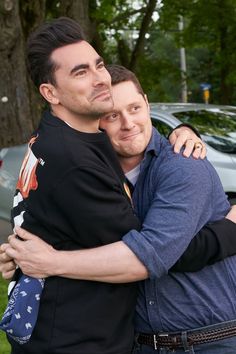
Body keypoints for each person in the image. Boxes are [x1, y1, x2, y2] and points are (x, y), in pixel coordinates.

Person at [0, 17, 212, 354]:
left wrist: (184, 130)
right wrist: (227, 232)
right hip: (75, 339)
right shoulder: (74, 162)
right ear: (50, 92)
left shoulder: (61, 137)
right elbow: (149, 252)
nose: (101, 79)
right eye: (80, 72)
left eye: (98, 64)